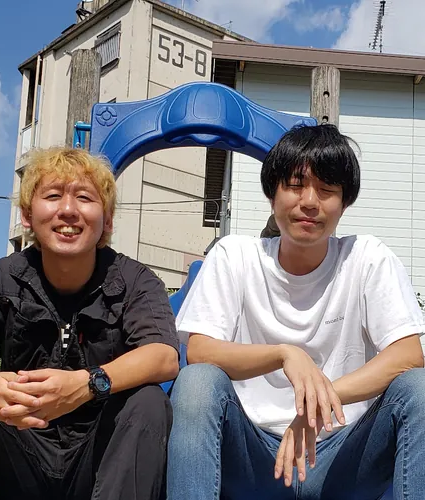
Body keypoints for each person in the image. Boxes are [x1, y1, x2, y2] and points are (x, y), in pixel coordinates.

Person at [167, 124, 425, 500]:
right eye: (295, 185)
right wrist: (284, 354)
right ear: (272, 194)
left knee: (419, 389)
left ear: (344, 203)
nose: (310, 202)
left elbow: (408, 356)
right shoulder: (234, 256)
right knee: (197, 383)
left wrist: (317, 404)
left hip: (343, 459)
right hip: (254, 457)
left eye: (327, 190)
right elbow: (201, 351)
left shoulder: (368, 258)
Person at [0, 147, 179, 500]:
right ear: (27, 215)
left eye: (85, 198)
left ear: (107, 221)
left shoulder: (136, 280)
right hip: (15, 449)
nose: (68, 210)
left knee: (149, 401)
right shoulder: (0, 278)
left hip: (102, 462)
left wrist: (87, 384)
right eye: (53, 195)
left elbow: (163, 355)